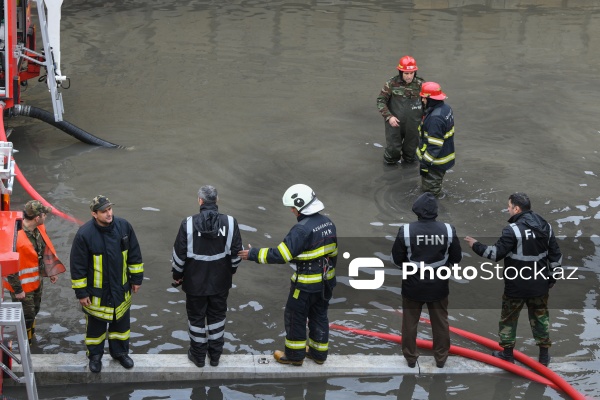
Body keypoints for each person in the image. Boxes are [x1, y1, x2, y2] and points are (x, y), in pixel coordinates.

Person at [238, 184, 337, 366]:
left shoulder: (301, 230)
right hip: (326, 283)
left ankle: (294, 355)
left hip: (305, 285)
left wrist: (253, 254)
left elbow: (281, 255)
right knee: (319, 316)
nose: (291, 211)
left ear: (300, 206)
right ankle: (318, 354)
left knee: (295, 316)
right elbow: (331, 255)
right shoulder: (328, 224)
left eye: (292, 207)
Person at [464, 192, 562, 366]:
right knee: (540, 319)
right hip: (540, 284)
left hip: (516, 286)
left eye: (509, 207)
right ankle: (544, 356)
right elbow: (556, 255)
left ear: (517, 208)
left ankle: (507, 354)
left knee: (509, 319)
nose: (507, 209)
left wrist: (475, 245)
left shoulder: (512, 230)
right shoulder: (546, 226)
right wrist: (553, 277)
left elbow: (495, 254)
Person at [70, 195, 144, 373]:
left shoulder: (124, 227)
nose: (109, 213)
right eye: (104, 211)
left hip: (121, 289)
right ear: (94, 214)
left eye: (110, 209)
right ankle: (95, 356)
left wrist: (136, 279)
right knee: (95, 329)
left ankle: (120, 353)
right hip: (97, 295)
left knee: (121, 326)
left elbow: (134, 254)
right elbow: (77, 266)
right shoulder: (84, 234)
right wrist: (81, 292)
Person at [171, 185, 243, 368]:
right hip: (221, 282)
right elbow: (237, 255)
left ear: (200, 201)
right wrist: (230, 271)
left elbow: (178, 257)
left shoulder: (187, 224)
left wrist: (178, 276)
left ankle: (198, 356)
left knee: (196, 320)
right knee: (217, 318)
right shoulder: (231, 222)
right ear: (217, 200)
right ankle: (215, 356)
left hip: (194, 284)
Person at [391, 192, 462, 368]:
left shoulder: (406, 230)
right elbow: (456, 257)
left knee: (409, 323)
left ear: (417, 210)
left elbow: (396, 259)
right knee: (440, 323)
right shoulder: (448, 230)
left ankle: (410, 358)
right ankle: (441, 358)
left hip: (412, 286)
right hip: (439, 286)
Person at [3, 200, 66, 344]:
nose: (46, 217)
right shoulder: (16, 239)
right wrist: (17, 290)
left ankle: (30, 337)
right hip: (22, 286)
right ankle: (26, 342)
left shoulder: (39, 229)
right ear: (37, 218)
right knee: (26, 315)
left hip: (36, 280)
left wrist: (51, 271)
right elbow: (10, 268)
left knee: (34, 310)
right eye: (44, 215)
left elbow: (42, 252)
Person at [376, 55, 425, 165]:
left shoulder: (421, 84)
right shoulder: (391, 84)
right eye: (406, 73)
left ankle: (409, 178)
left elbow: (427, 103)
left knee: (412, 155)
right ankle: (390, 177)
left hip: (413, 125)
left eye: (411, 73)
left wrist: (425, 119)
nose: (409, 76)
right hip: (394, 124)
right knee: (392, 152)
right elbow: (380, 101)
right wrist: (389, 117)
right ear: (400, 72)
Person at [416, 82, 455, 198]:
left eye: (424, 98)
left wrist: (425, 163)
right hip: (444, 156)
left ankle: (436, 211)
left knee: (430, 193)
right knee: (433, 186)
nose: (422, 101)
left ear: (431, 99)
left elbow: (434, 145)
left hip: (435, 162)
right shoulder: (445, 108)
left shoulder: (435, 119)